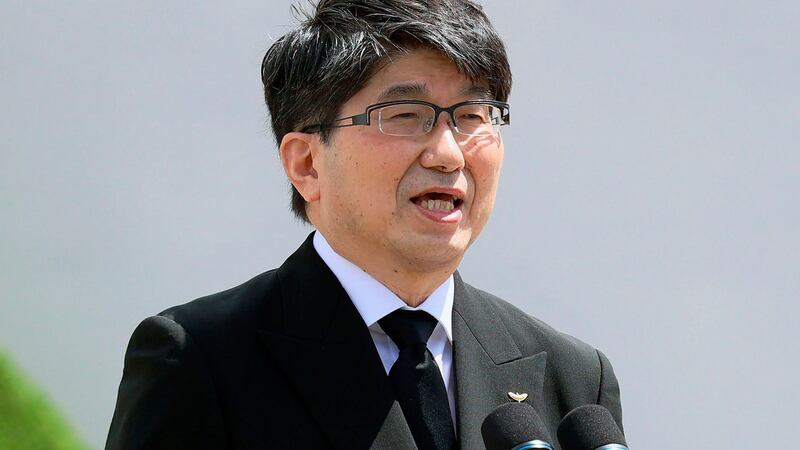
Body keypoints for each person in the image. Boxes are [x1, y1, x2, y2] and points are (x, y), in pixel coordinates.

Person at [105, 1, 623, 449]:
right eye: (404, 114)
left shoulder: (572, 378)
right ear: (307, 163)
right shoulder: (201, 360)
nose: (448, 154)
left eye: (472, 115)